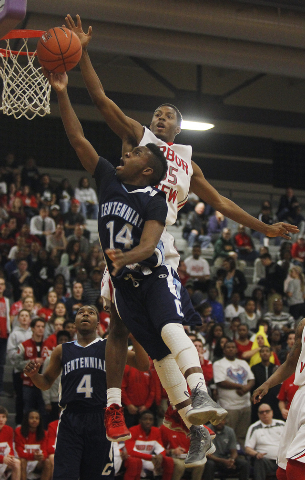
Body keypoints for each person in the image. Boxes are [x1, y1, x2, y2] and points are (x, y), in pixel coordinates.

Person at [64, 13, 298, 444]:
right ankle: (116, 406)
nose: (159, 118)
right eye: (156, 113)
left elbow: (223, 202)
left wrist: (263, 229)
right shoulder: (138, 140)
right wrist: (82, 54)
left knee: (163, 333)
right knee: (119, 325)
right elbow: (100, 100)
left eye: (167, 115)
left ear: (179, 127)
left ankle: (190, 415)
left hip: (156, 241)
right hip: (122, 229)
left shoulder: (188, 164)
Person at [46, 68, 224, 466]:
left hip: (151, 261)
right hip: (122, 274)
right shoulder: (111, 177)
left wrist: (126, 257)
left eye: (135, 151)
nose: (126, 151)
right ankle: (190, 425)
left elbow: (150, 242)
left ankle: (199, 391)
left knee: (166, 327)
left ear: (148, 166)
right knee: (150, 347)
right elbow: (79, 136)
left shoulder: (155, 198)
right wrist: (62, 91)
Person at [23, 305, 151, 480]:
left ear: (98, 323)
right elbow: (45, 383)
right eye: (81, 312)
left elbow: (143, 365)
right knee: (64, 475)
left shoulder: (109, 346)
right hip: (71, 418)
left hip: (100, 417)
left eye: (91, 312)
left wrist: (134, 337)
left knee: (97, 476)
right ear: (74, 322)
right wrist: (33, 376)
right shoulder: (62, 350)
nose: (85, 314)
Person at [252, 316, 305, 479]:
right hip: (301, 394)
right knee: (284, 463)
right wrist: (268, 384)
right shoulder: (303, 324)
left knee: (298, 459)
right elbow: (291, 362)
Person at [213, 340, 255, 448]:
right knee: (228, 435)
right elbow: (221, 382)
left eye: (233, 347)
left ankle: (241, 456)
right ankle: (229, 458)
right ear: (224, 350)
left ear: (236, 350)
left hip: (245, 405)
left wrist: (247, 388)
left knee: (242, 435)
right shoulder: (218, 364)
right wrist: (241, 386)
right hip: (229, 406)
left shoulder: (243, 363)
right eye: (228, 347)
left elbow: (252, 379)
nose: (231, 349)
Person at [244, 404, 285, 480]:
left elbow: (291, 441)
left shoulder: (282, 424)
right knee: (259, 461)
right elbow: (247, 448)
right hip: (266, 461)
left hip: (282, 460)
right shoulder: (254, 428)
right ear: (258, 414)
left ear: (272, 412)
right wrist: (257, 454)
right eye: (261, 412)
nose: (264, 414)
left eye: (267, 411)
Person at [6, 309, 32, 425]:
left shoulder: (33, 332)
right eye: (22, 315)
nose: (24, 318)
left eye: (27, 315)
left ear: (30, 318)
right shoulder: (14, 334)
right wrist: (21, 363)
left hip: (32, 372)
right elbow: (11, 352)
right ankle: (19, 423)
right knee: (20, 398)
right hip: (18, 371)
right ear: (18, 318)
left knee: (31, 399)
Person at [14, 410, 51, 480]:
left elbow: (45, 451)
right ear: (26, 419)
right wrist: (33, 456)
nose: (34, 420)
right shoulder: (19, 431)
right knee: (22, 460)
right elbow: (19, 452)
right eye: (31, 418)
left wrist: (42, 456)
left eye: (37, 418)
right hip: (23, 460)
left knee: (47, 462)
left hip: (36, 462)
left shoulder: (44, 433)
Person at [0, 405, 20, 480]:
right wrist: (2, 459)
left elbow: (10, 448)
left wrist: (10, 456)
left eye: (3, 417)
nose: (1, 420)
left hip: (4, 459)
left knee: (16, 463)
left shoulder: (9, 430)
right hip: (2, 459)